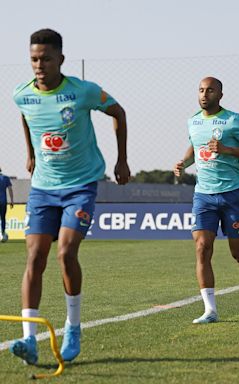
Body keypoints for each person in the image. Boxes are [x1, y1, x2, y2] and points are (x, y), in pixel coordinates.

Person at [9, 29, 130, 365]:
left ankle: (73, 327)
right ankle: (29, 339)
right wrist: (30, 153)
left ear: (60, 59)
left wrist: (121, 159)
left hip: (80, 185)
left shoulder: (83, 92)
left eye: (46, 59)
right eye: (34, 59)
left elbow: (118, 112)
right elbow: (25, 116)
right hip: (43, 188)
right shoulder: (21, 94)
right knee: (34, 255)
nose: (39, 65)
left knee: (65, 252)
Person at [174, 76, 239, 324]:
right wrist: (184, 162)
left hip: (232, 194)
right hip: (203, 195)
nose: (204, 94)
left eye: (210, 90)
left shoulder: (233, 120)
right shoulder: (192, 121)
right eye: (201, 90)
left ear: (220, 95)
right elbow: (194, 147)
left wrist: (227, 150)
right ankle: (210, 310)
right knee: (202, 248)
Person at [0, 167, 14, 242]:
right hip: (3, 201)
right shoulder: (5, 178)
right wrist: (12, 200)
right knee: (3, 218)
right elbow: (10, 189)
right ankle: (2, 233)